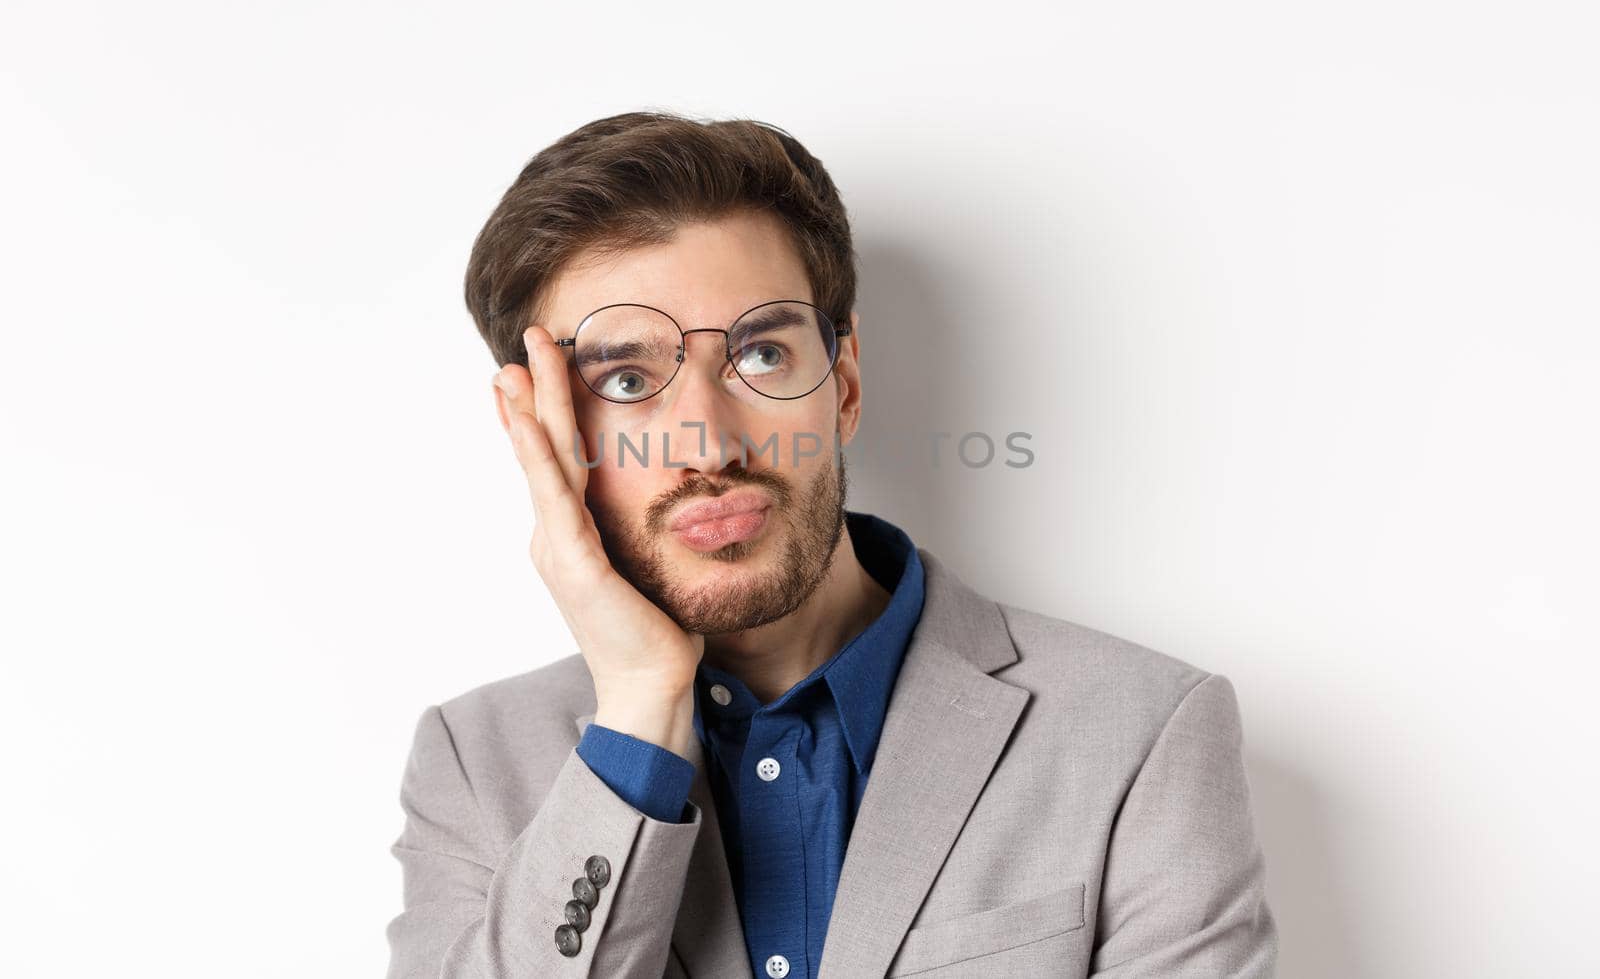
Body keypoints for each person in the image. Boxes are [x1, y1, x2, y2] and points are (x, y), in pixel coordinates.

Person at [384, 111, 1278, 978]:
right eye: (625, 378)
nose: (707, 446)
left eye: (761, 356)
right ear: (541, 429)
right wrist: (637, 711)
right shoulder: (473, 763)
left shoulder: (1139, 733)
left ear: (843, 387)